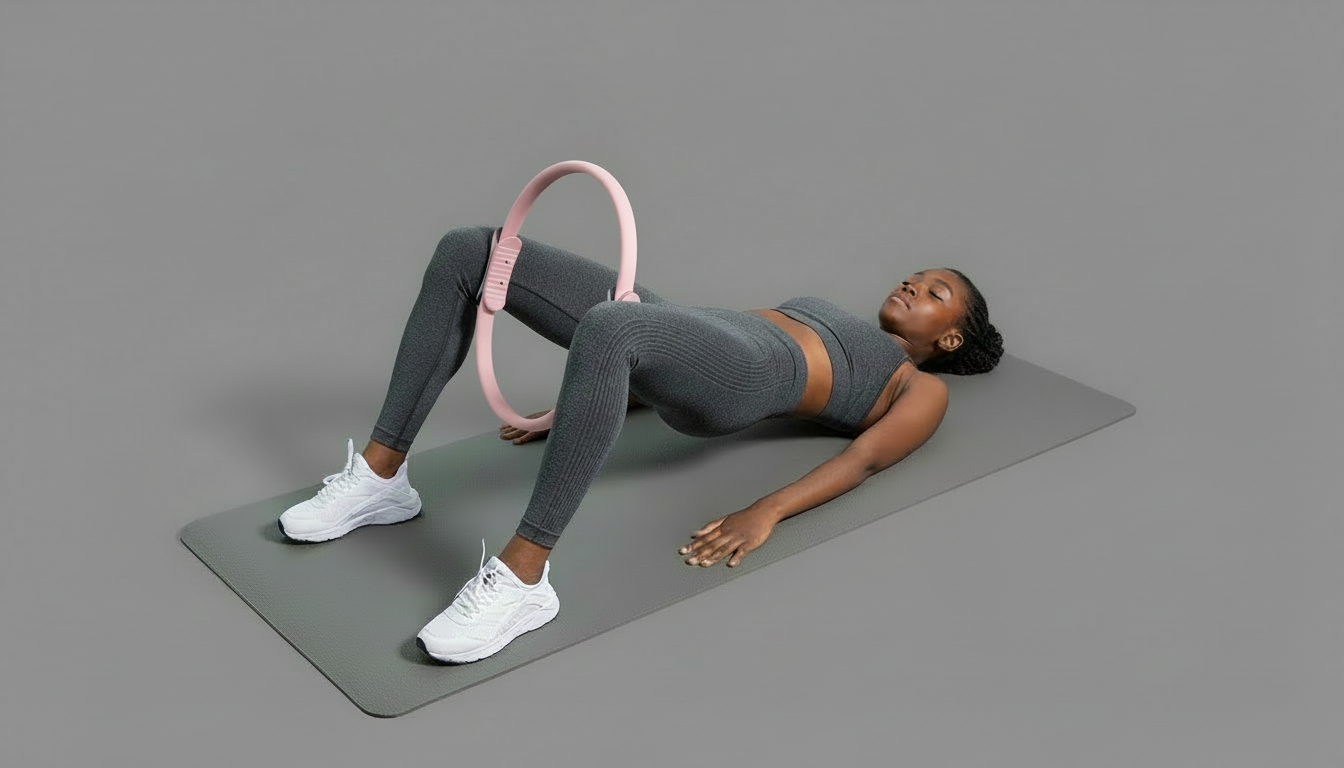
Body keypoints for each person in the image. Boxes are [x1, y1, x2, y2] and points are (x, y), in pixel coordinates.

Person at [279, 225, 1004, 663]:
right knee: (474, 250)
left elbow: (864, 459)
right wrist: (597, 395)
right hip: (693, 333)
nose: (915, 282)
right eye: (917, 275)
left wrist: (768, 511)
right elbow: (705, 330)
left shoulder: (919, 385)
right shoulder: (831, 306)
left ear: (947, 338)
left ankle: (525, 580)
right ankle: (382, 477)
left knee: (612, 325)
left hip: (746, 382)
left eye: (936, 291)